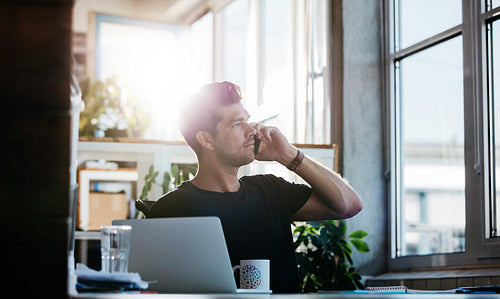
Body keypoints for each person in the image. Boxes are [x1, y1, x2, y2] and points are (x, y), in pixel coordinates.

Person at [148, 81, 362, 293]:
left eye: (248, 121)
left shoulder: (270, 190)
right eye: (237, 124)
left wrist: (287, 155)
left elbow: (349, 205)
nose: (252, 130)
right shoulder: (171, 210)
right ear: (206, 139)